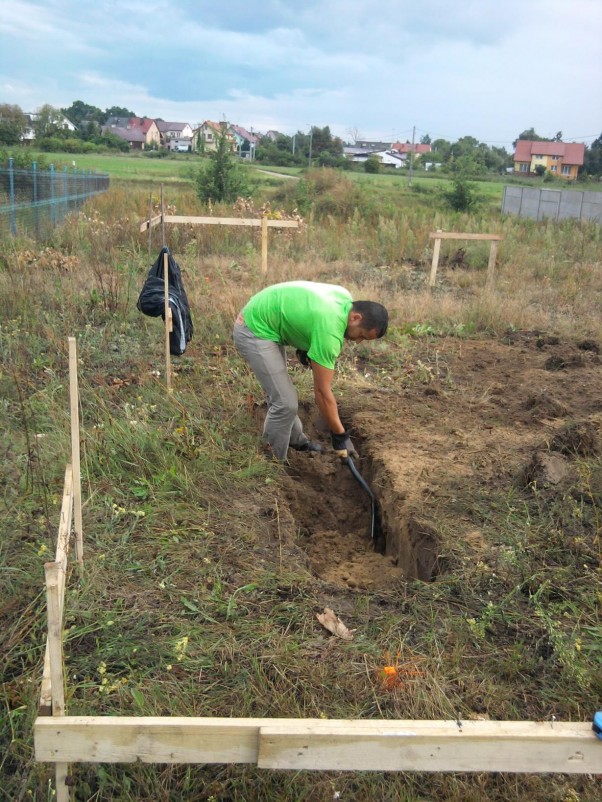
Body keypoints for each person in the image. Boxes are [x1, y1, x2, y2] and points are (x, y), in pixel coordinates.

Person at [233, 280, 388, 462]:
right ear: (355, 318)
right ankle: (273, 461)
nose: (359, 341)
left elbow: (308, 308)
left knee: (283, 396)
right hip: (253, 328)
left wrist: (305, 343)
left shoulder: (344, 298)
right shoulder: (329, 333)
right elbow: (322, 393)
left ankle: (295, 441)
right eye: (361, 335)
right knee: (285, 402)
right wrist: (340, 436)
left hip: (264, 313)